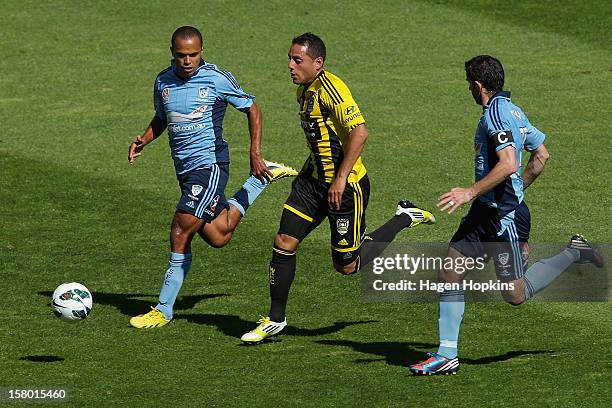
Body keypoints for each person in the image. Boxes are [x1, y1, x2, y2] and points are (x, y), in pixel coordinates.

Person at [409, 55, 604, 375]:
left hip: (503, 218)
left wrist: (470, 191)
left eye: (468, 85)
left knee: (514, 295)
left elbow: (509, 163)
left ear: (477, 85)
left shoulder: (497, 115)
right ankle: (447, 354)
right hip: (486, 211)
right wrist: (517, 189)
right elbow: (541, 155)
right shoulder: (513, 111)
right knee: (450, 270)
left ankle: (574, 252)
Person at [240, 32, 435, 343]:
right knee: (284, 240)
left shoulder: (332, 90)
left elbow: (360, 132)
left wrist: (340, 178)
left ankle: (403, 217)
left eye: (297, 60)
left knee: (346, 266)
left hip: (345, 187)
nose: (290, 65)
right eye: (290, 59)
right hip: (312, 182)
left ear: (318, 63)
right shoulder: (305, 90)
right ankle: (276, 319)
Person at [127, 26, 297, 329]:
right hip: (185, 171)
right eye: (181, 55)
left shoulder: (217, 79)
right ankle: (260, 180)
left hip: (209, 166)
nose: (188, 61)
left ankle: (163, 309)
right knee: (220, 235)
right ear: (172, 54)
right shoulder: (163, 82)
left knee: (181, 229)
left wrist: (254, 152)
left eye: (193, 55)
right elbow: (163, 117)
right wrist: (144, 139)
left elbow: (252, 108)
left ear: (201, 52)